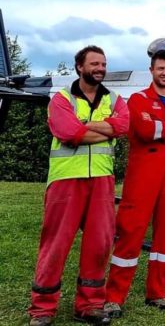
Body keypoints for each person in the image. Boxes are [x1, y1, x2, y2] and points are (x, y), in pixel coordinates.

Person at [28, 45, 130, 326]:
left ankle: (90, 305)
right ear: (79, 67)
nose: (100, 68)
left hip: (101, 179)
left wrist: (85, 127)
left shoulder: (116, 99)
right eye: (94, 63)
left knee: (99, 244)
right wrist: (102, 129)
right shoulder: (60, 99)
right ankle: (42, 309)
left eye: (103, 64)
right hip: (66, 180)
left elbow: (122, 127)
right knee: (56, 243)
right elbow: (68, 132)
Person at [104, 49, 165, 317]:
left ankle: (157, 292)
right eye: (161, 69)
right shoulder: (138, 99)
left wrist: (164, 128)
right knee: (130, 232)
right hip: (142, 179)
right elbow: (145, 131)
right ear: (152, 70)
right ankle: (114, 297)